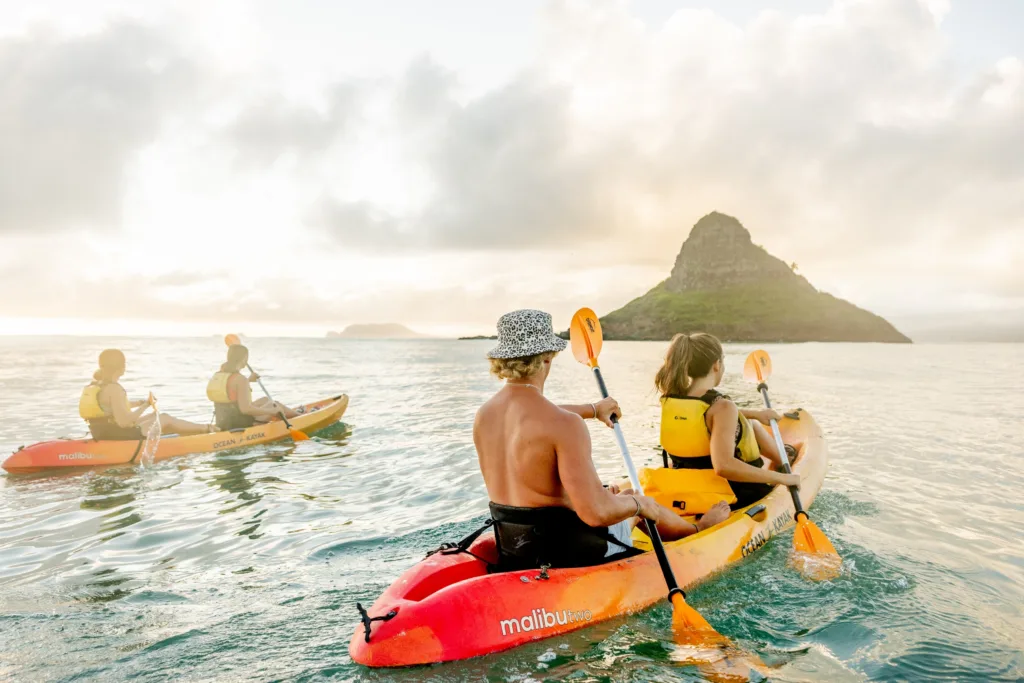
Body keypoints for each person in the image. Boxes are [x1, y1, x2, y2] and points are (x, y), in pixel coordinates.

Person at [473, 309, 730, 572]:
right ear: (548, 357)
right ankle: (699, 528)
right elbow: (595, 513)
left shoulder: (485, 416)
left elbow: (532, 417)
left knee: (618, 496)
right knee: (636, 497)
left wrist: (594, 409)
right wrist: (638, 504)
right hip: (569, 553)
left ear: (503, 359)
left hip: (515, 547)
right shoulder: (564, 424)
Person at [654, 332, 800, 509]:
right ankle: (783, 463)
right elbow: (723, 466)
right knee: (749, 426)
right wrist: (782, 479)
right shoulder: (722, 406)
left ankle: (781, 457)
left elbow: (703, 417)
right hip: (729, 494)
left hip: (686, 486)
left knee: (750, 423)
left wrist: (756, 414)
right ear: (717, 365)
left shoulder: (673, 398)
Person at [79, 349, 214, 440]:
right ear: (121, 367)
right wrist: (145, 406)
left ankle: (193, 433)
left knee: (157, 416)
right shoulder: (115, 389)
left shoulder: (97, 384)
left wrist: (138, 403)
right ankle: (206, 429)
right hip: (117, 434)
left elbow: (110, 407)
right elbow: (125, 422)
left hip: (101, 432)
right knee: (165, 419)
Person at [207, 344, 298, 431]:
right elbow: (245, 409)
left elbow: (231, 390)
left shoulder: (219, 375)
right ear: (244, 359)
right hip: (242, 424)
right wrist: (271, 411)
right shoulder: (241, 379)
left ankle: (297, 415)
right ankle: (300, 416)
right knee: (274, 404)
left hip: (224, 421)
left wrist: (248, 380)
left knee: (264, 400)